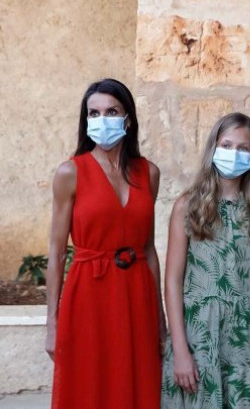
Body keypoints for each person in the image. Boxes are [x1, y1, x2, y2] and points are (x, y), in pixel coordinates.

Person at [45, 78, 165, 408]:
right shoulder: (70, 172)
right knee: (87, 386)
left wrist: (161, 319)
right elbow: (56, 254)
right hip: (87, 294)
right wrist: (51, 323)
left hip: (136, 295)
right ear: (86, 121)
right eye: (93, 113)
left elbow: (149, 249)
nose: (102, 120)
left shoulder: (149, 173)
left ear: (127, 119)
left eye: (111, 111)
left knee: (138, 387)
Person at [161, 112, 250, 408]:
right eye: (227, 145)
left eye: (243, 148)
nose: (234, 153)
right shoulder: (187, 206)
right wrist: (179, 348)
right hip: (199, 336)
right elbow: (173, 281)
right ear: (213, 148)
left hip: (248, 336)